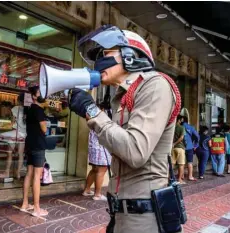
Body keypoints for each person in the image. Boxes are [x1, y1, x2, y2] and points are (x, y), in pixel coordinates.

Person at [68, 25, 181, 233]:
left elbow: (136, 151)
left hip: (143, 216)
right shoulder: (120, 97)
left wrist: (91, 111)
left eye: (106, 54)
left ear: (130, 55)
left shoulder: (155, 85)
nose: (99, 61)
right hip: (120, 212)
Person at [20, 85, 48, 217]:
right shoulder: (39, 110)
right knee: (37, 175)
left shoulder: (30, 109)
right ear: (34, 96)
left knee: (29, 174)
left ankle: (25, 204)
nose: (42, 94)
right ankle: (37, 208)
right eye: (40, 92)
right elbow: (44, 129)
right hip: (38, 145)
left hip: (30, 145)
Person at [82, 103, 112, 201]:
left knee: (94, 169)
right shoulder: (101, 120)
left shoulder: (92, 119)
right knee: (101, 170)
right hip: (101, 148)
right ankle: (97, 194)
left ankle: (86, 190)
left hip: (94, 147)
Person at [0, 92, 27, 180]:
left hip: (14, 133)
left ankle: (7, 172)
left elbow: (12, 121)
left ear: (18, 100)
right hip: (23, 134)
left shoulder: (15, 108)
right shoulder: (28, 110)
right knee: (21, 154)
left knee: (9, 153)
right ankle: (18, 173)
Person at [181, 116, 199, 181]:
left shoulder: (178, 127)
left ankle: (181, 176)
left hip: (181, 147)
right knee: (190, 162)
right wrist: (195, 145)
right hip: (189, 146)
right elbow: (197, 136)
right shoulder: (191, 127)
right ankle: (190, 176)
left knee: (181, 162)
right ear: (187, 120)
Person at [173, 116, 186, 184]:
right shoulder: (181, 127)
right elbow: (181, 138)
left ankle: (169, 179)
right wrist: (175, 143)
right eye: (181, 120)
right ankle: (179, 180)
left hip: (172, 148)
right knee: (181, 164)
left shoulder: (172, 127)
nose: (182, 121)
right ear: (178, 120)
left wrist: (173, 144)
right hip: (180, 147)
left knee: (171, 164)